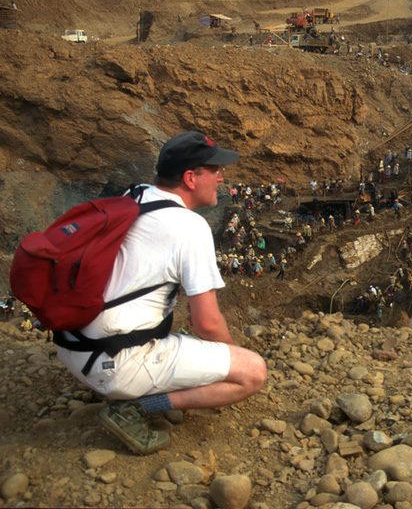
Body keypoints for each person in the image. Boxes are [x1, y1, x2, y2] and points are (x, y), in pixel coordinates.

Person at [55, 132, 267, 455]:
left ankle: (128, 385)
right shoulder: (190, 227)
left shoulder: (136, 195)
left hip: (74, 346)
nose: (222, 177)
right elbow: (207, 323)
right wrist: (227, 360)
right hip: (115, 363)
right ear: (190, 178)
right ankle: (137, 407)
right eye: (215, 170)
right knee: (252, 372)